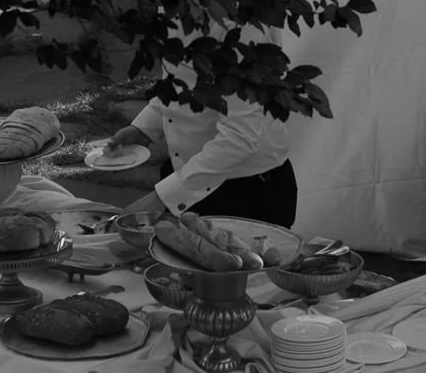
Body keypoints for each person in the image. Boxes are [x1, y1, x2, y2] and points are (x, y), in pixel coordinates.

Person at [104, 32, 297, 227]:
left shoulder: (247, 28)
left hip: (247, 193)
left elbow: (240, 137)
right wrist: (144, 128)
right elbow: (178, 85)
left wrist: (162, 199)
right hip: (186, 177)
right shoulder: (178, 8)